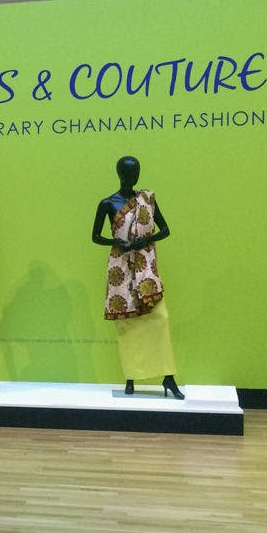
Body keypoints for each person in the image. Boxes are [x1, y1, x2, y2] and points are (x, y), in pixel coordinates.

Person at [92, 155, 183, 399]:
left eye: (136, 172)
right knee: (128, 325)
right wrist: (115, 242)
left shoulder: (147, 199)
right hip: (121, 267)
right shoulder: (107, 203)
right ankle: (130, 378)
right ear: (120, 174)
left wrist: (147, 239)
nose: (134, 177)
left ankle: (168, 377)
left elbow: (165, 229)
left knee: (160, 318)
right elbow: (95, 237)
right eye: (129, 172)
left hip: (145, 266)